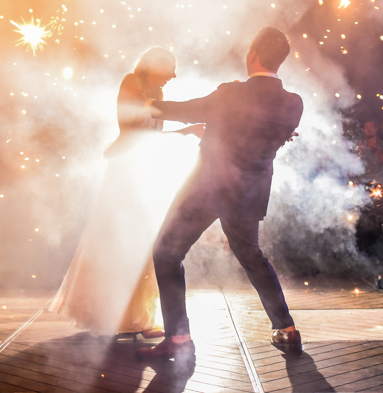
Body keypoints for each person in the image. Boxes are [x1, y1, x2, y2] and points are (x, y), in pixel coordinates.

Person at [137, 26, 304, 362]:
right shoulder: (293, 104)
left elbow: (189, 109)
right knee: (253, 258)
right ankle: (286, 329)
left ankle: (179, 337)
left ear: (253, 54)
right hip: (250, 194)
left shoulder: (231, 93)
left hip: (208, 188)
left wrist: (146, 104)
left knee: (166, 253)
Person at [50, 47, 199, 337]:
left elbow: (152, 138)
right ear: (154, 65)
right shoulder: (132, 83)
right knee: (116, 240)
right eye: (170, 67)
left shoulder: (158, 94)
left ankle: (136, 318)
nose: (174, 75)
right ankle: (110, 313)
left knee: (141, 243)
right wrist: (185, 127)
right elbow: (135, 132)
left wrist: (186, 129)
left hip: (144, 174)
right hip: (124, 174)